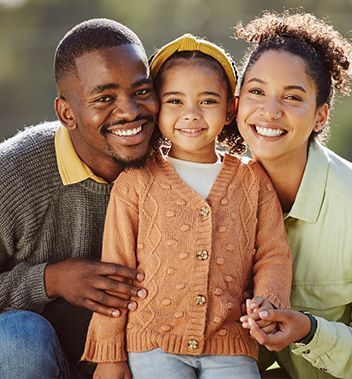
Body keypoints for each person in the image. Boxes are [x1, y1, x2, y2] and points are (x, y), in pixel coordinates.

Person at [81, 34, 292, 379]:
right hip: (152, 343)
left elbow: (273, 254)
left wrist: (269, 303)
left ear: (229, 109)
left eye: (207, 101)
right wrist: (110, 355)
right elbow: (115, 271)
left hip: (231, 342)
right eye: (175, 101)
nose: (191, 114)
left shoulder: (252, 180)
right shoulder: (136, 182)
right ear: (156, 108)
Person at [235, 10, 352, 379]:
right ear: (237, 103)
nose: (270, 110)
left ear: (320, 116)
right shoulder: (221, 195)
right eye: (257, 91)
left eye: (292, 97)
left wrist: (310, 331)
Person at [0, 18, 159, 378]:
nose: (130, 111)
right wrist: (49, 281)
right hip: (38, 362)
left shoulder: (172, 158)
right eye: (104, 98)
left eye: (141, 91)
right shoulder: (13, 176)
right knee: (17, 336)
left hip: (139, 361)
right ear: (66, 113)